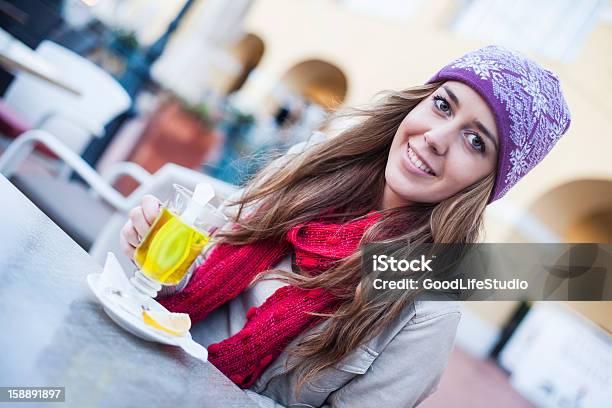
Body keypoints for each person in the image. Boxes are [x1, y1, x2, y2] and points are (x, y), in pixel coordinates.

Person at [120, 46, 571, 407]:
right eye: (442, 105)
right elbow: (202, 256)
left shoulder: (427, 306)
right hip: (133, 359)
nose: (437, 137)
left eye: (475, 141)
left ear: (488, 182)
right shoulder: (315, 162)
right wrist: (159, 260)